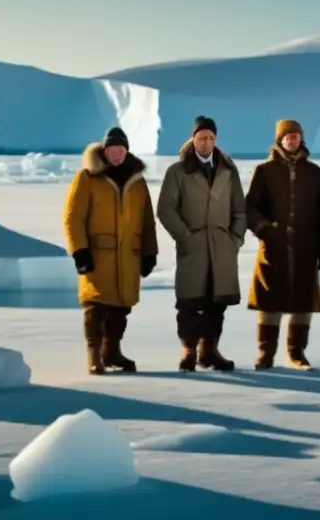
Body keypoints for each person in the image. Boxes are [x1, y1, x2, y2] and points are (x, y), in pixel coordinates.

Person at [63, 126, 158, 375]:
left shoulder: (137, 182)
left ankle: (112, 352)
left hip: (128, 256)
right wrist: (79, 251)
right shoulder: (87, 178)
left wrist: (150, 252)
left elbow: (147, 220)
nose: (117, 154)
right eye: (113, 149)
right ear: (104, 151)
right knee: (96, 306)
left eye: (122, 149)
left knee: (120, 307)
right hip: (97, 255)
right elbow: (73, 218)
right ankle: (94, 355)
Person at [157, 115, 248, 372]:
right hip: (193, 246)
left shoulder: (228, 172)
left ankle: (209, 351)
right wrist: (185, 236)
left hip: (222, 247)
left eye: (211, 138)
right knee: (189, 302)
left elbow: (240, 209)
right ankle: (189, 350)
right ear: (193, 139)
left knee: (216, 303)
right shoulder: (178, 172)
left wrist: (235, 239)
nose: (206, 143)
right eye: (202, 138)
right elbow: (166, 209)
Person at [245, 119, 320, 370]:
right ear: (279, 140)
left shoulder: (314, 173)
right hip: (274, 249)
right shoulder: (264, 171)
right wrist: (265, 230)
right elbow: (250, 208)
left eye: (296, 136)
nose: (292, 141)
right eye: (287, 137)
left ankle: (297, 353)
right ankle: (265, 354)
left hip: (306, 249)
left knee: (302, 304)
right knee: (270, 303)